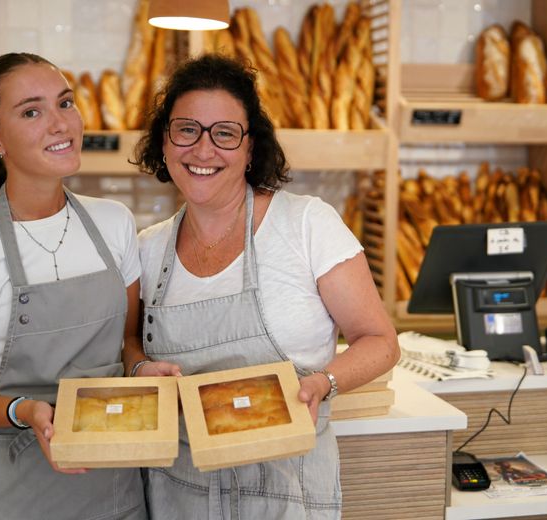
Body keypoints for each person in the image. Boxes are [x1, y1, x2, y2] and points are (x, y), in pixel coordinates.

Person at [129, 54, 400, 519]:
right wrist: (137, 369)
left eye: (225, 133)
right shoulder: (147, 249)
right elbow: (130, 340)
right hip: (180, 491)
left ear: (251, 148)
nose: (203, 149)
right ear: (165, 141)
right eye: (187, 129)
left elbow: (380, 342)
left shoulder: (306, 224)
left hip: (288, 489)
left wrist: (323, 383)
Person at [0, 52, 147, 519]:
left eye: (65, 103)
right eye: (31, 111)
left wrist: (142, 369)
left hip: (112, 486)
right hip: (8, 491)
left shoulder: (115, 224)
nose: (60, 123)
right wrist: (24, 411)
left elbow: (125, 340)